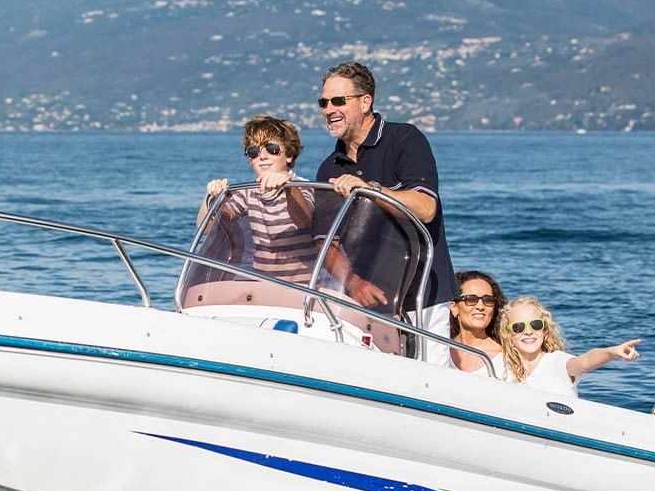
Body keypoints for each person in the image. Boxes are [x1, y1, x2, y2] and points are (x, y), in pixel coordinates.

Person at [313, 61, 457, 365]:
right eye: (323, 102)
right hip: (364, 299)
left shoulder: (404, 140)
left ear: (366, 102)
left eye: (339, 101)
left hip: (422, 296)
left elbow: (426, 207)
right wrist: (353, 282)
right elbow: (324, 242)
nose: (329, 109)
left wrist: (370, 190)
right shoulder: (328, 168)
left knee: (430, 381)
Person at [198, 116, 318, 283]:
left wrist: (289, 187)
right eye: (254, 152)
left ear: (289, 155)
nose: (262, 156)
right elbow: (207, 228)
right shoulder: (248, 192)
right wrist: (212, 196)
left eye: (272, 149)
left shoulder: (304, 187)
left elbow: (304, 220)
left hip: (303, 289)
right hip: (263, 287)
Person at [498, 295, 641, 398]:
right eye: (518, 327)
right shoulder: (503, 367)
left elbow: (584, 362)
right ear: (508, 334)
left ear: (545, 329)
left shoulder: (556, 362)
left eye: (536, 325)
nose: (528, 332)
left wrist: (612, 353)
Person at [448, 270, 506, 374]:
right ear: (454, 307)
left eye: (488, 300)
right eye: (470, 299)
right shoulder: (441, 349)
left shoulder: (505, 359)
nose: (480, 306)